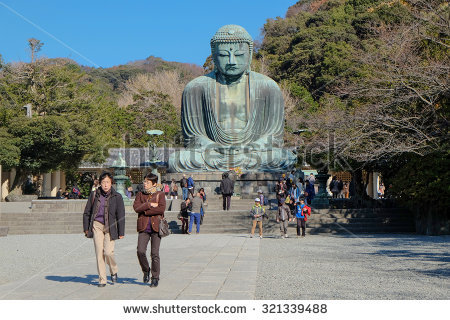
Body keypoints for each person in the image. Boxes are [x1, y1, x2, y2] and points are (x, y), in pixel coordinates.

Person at [82, 172, 125, 287]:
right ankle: (102, 279)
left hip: (110, 227)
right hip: (97, 225)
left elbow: (120, 215)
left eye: (108, 182)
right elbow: (87, 212)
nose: (105, 185)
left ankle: (114, 270)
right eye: (103, 182)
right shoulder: (94, 194)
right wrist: (86, 228)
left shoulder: (117, 196)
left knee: (108, 252)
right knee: (99, 253)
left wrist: (121, 232)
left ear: (111, 183)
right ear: (100, 183)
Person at [134, 173, 166, 287]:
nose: (145, 184)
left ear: (154, 184)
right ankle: (146, 270)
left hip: (156, 227)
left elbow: (161, 209)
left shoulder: (160, 194)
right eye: (144, 182)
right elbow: (136, 208)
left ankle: (155, 277)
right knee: (140, 251)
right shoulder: (140, 194)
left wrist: (146, 211)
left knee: (154, 253)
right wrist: (149, 204)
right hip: (143, 227)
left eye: (147, 182)